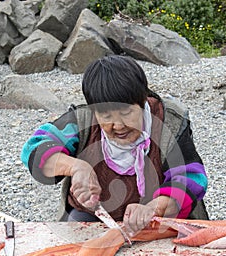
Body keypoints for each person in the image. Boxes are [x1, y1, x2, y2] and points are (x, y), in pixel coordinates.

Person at [21, 55, 208, 234]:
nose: (118, 126)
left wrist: (153, 208)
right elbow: (35, 148)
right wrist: (77, 168)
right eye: (106, 116)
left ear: (142, 102)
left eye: (126, 113)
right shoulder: (82, 120)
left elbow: (192, 178)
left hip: (159, 219)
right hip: (91, 215)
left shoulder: (169, 122)